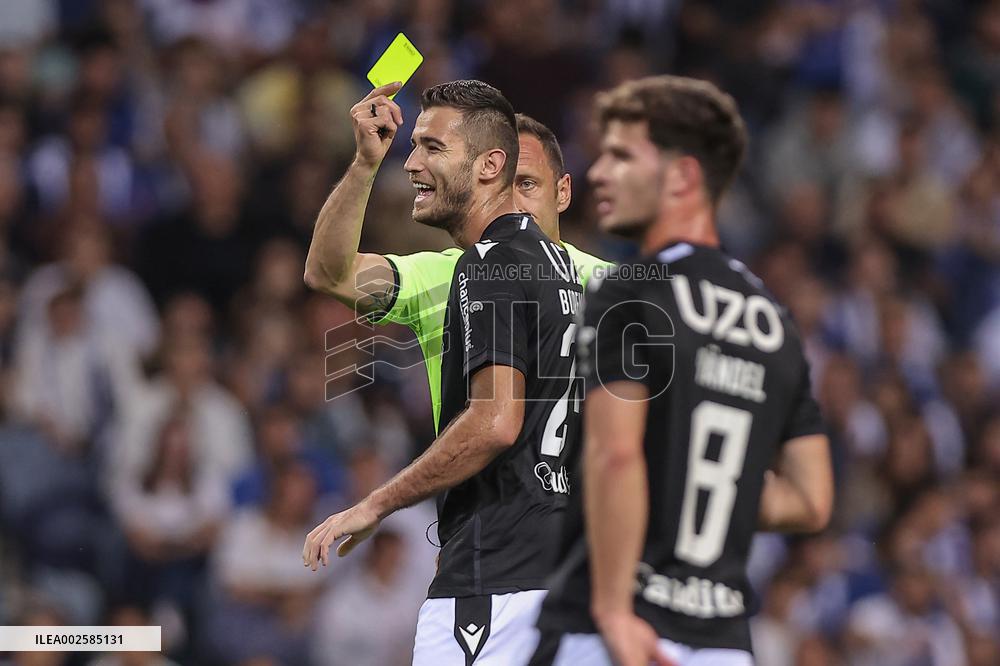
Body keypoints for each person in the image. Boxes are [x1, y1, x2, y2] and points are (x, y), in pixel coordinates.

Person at [529, 75, 834, 666]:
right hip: (722, 641)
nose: (598, 173)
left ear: (683, 176)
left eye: (621, 155)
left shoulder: (631, 292)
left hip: (618, 631)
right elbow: (811, 500)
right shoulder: (776, 323)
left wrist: (614, 610)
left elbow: (616, 456)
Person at [303, 80, 586, 665]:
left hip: (497, 579)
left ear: (490, 167)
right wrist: (363, 163)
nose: (412, 164)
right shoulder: (575, 278)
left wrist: (375, 504)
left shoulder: (485, 266)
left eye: (432, 148)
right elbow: (328, 273)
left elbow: (495, 422)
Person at [303, 83, 607, 432]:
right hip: (470, 485)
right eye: (501, 187)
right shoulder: (441, 275)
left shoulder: (608, 285)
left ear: (563, 193)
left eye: (525, 184)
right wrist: (364, 164)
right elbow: (329, 273)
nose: (511, 200)